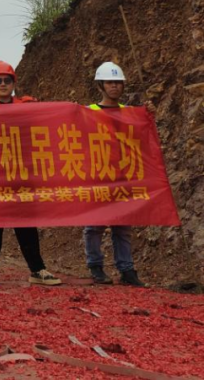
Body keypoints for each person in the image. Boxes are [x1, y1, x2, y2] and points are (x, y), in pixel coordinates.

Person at [0, 61, 61, 286]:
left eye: (7, 80)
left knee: (26, 223)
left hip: (22, 175)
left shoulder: (28, 107)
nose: (3, 85)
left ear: (14, 83)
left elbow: (48, 121)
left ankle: (37, 269)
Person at [83, 62, 144, 287]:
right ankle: (96, 267)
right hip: (98, 174)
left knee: (123, 225)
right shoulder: (89, 112)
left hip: (123, 175)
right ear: (101, 85)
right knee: (94, 225)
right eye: (110, 82)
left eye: (118, 82)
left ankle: (126, 269)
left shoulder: (129, 113)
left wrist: (149, 115)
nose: (115, 87)